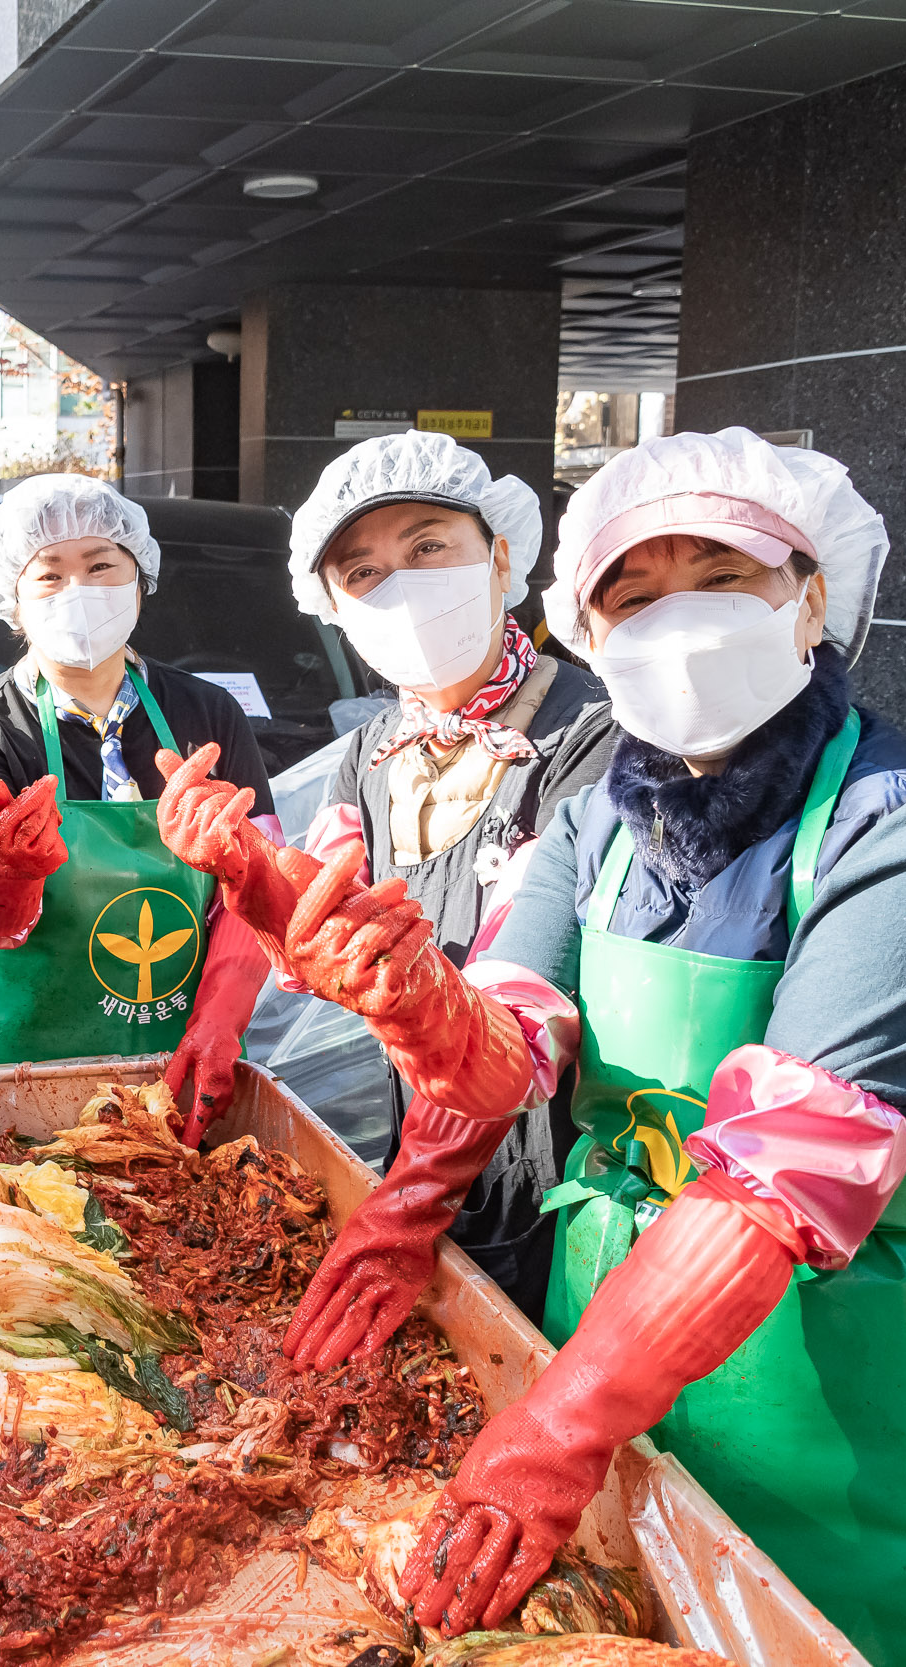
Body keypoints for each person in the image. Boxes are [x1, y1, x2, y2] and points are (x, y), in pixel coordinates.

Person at [160, 428, 906, 1666]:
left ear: (813, 602)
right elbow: (505, 1049)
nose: (676, 617)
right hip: (617, 1355)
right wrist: (411, 998)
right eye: (633, 590)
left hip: (848, 1398)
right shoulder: (598, 827)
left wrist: (555, 1427)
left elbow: (769, 1185)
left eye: (722, 577)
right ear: (592, 627)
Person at [275, 430, 615, 1320]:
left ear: (501, 556)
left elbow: (527, 996)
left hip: (565, 1167)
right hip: (418, 1139)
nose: (403, 587)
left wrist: (414, 1200)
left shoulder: (594, 739)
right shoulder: (370, 757)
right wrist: (245, 876)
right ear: (336, 611)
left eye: (429, 547)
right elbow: (315, 930)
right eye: (364, 573)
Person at [0, 474, 275, 1135]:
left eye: (100, 566)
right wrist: (1, 873)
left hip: (177, 1068)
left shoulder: (207, 713)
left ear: (139, 581)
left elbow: (261, 889)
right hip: (13, 1083)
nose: (78, 591)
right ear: (14, 604)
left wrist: (222, 1016)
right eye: (49, 575)